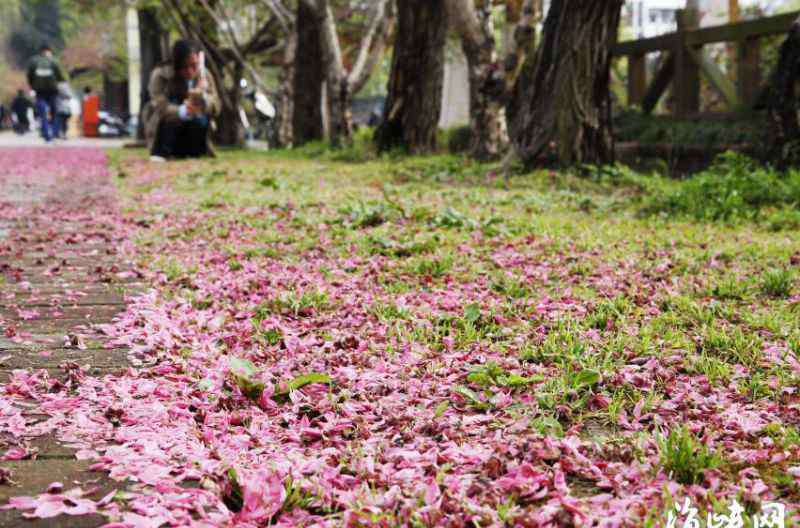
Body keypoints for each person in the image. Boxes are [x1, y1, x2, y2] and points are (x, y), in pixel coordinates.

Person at [142, 40, 219, 161]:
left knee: (200, 120)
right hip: (167, 131)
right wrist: (182, 111)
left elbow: (216, 106)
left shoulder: (204, 75)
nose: (190, 71)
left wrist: (204, 98)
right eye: (185, 67)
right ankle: (163, 152)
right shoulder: (160, 75)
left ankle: (196, 152)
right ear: (176, 65)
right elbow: (158, 105)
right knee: (171, 120)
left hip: (195, 133)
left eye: (194, 65)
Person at [26, 43, 66, 143]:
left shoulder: (33, 61)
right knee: (54, 112)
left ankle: (46, 134)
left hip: (39, 91)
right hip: (53, 91)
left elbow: (29, 76)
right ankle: (54, 133)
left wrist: (32, 86)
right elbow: (60, 77)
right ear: (49, 50)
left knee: (42, 113)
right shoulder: (53, 61)